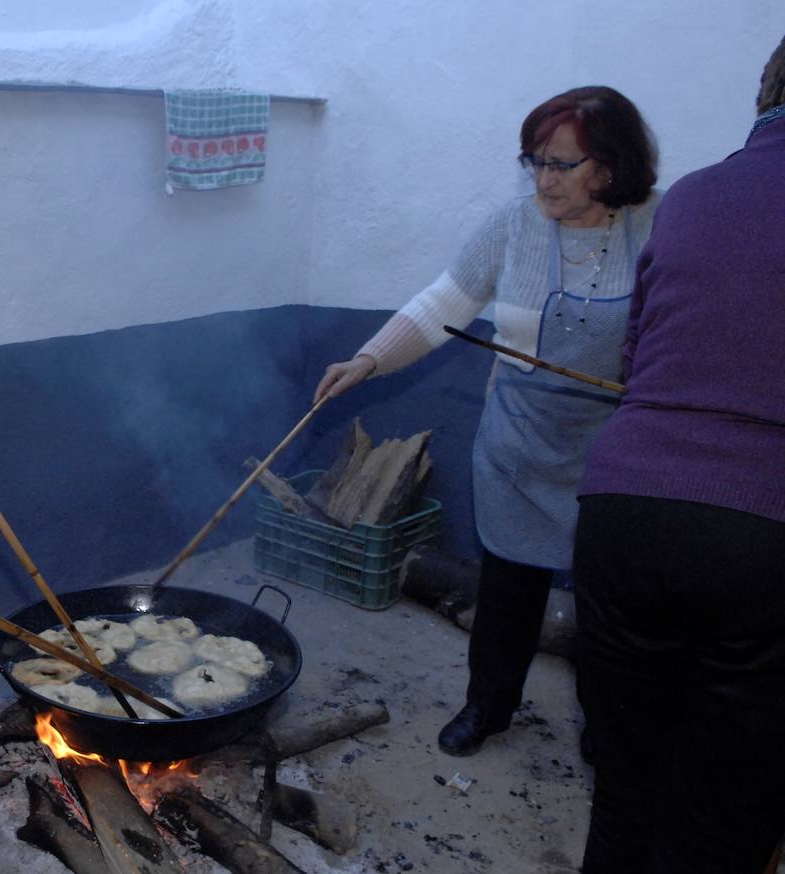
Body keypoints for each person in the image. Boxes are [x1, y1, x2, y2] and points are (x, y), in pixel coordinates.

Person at [315, 86, 660, 757]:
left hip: (612, 451)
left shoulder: (655, 227)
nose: (543, 178)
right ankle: (489, 706)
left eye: (563, 164)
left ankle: (603, 722)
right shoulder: (515, 226)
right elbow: (447, 300)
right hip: (519, 444)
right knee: (507, 593)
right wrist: (369, 359)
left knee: (606, 601)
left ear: (611, 168)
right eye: (534, 160)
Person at [573, 38, 785, 874]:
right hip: (765, 534)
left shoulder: (695, 195)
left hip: (626, 514)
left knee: (626, 788)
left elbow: (639, 354)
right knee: (725, 818)